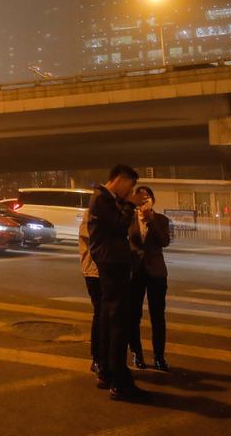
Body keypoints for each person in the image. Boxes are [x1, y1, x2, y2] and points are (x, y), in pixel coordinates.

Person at [87, 164, 150, 402]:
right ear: (122, 180)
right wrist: (131, 204)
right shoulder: (102, 199)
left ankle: (107, 372)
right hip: (111, 264)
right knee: (118, 321)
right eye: (130, 185)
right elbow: (119, 226)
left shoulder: (105, 198)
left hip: (111, 262)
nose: (130, 190)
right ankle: (119, 382)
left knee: (109, 318)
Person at [127, 186, 171, 372]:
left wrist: (152, 222)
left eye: (148, 197)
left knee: (157, 316)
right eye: (141, 197)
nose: (144, 200)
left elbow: (164, 242)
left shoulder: (161, 219)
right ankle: (137, 353)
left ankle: (159, 356)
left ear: (153, 200)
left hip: (156, 272)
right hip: (135, 272)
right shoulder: (128, 219)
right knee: (133, 315)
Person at [77, 207, 102, 379]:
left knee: (108, 316)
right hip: (95, 271)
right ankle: (98, 358)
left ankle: (106, 358)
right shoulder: (92, 212)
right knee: (101, 313)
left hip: (111, 271)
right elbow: (95, 237)